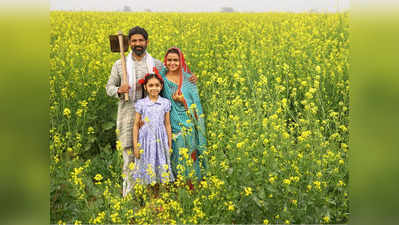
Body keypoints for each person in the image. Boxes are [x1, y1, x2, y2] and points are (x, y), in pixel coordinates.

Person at [106, 26, 164, 197]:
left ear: (147, 42)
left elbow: (170, 82)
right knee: (129, 154)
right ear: (129, 43)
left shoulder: (157, 64)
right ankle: (129, 196)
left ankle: (150, 196)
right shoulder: (119, 64)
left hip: (152, 117)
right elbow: (108, 87)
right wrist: (118, 90)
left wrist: (190, 78)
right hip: (128, 116)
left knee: (152, 152)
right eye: (134, 41)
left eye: (141, 40)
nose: (137, 43)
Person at [159, 47, 207, 186]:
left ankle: (193, 187)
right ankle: (179, 188)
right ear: (165, 61)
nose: (172, 63)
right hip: (172, 125)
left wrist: (183, 101)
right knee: (177, 157)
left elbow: (195, 105)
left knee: (191, 156)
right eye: (169, 60)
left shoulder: (188, 79)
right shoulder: (161, 79)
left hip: (188, 123)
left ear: (181, 61)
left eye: (175, 60)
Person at [131, 73, 174, 198]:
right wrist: (136, 146)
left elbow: (167, 124)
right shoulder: (141, 104)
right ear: (145, 87)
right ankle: (151, 199)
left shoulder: (165, 103)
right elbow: (135, 125)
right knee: (148, 167)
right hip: (145, 141)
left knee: (161, 167)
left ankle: (161, 197)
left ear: (161, 87)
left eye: (157, 85)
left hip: (160, 140)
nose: (154, 88)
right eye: (150, 85)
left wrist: (169, 144)